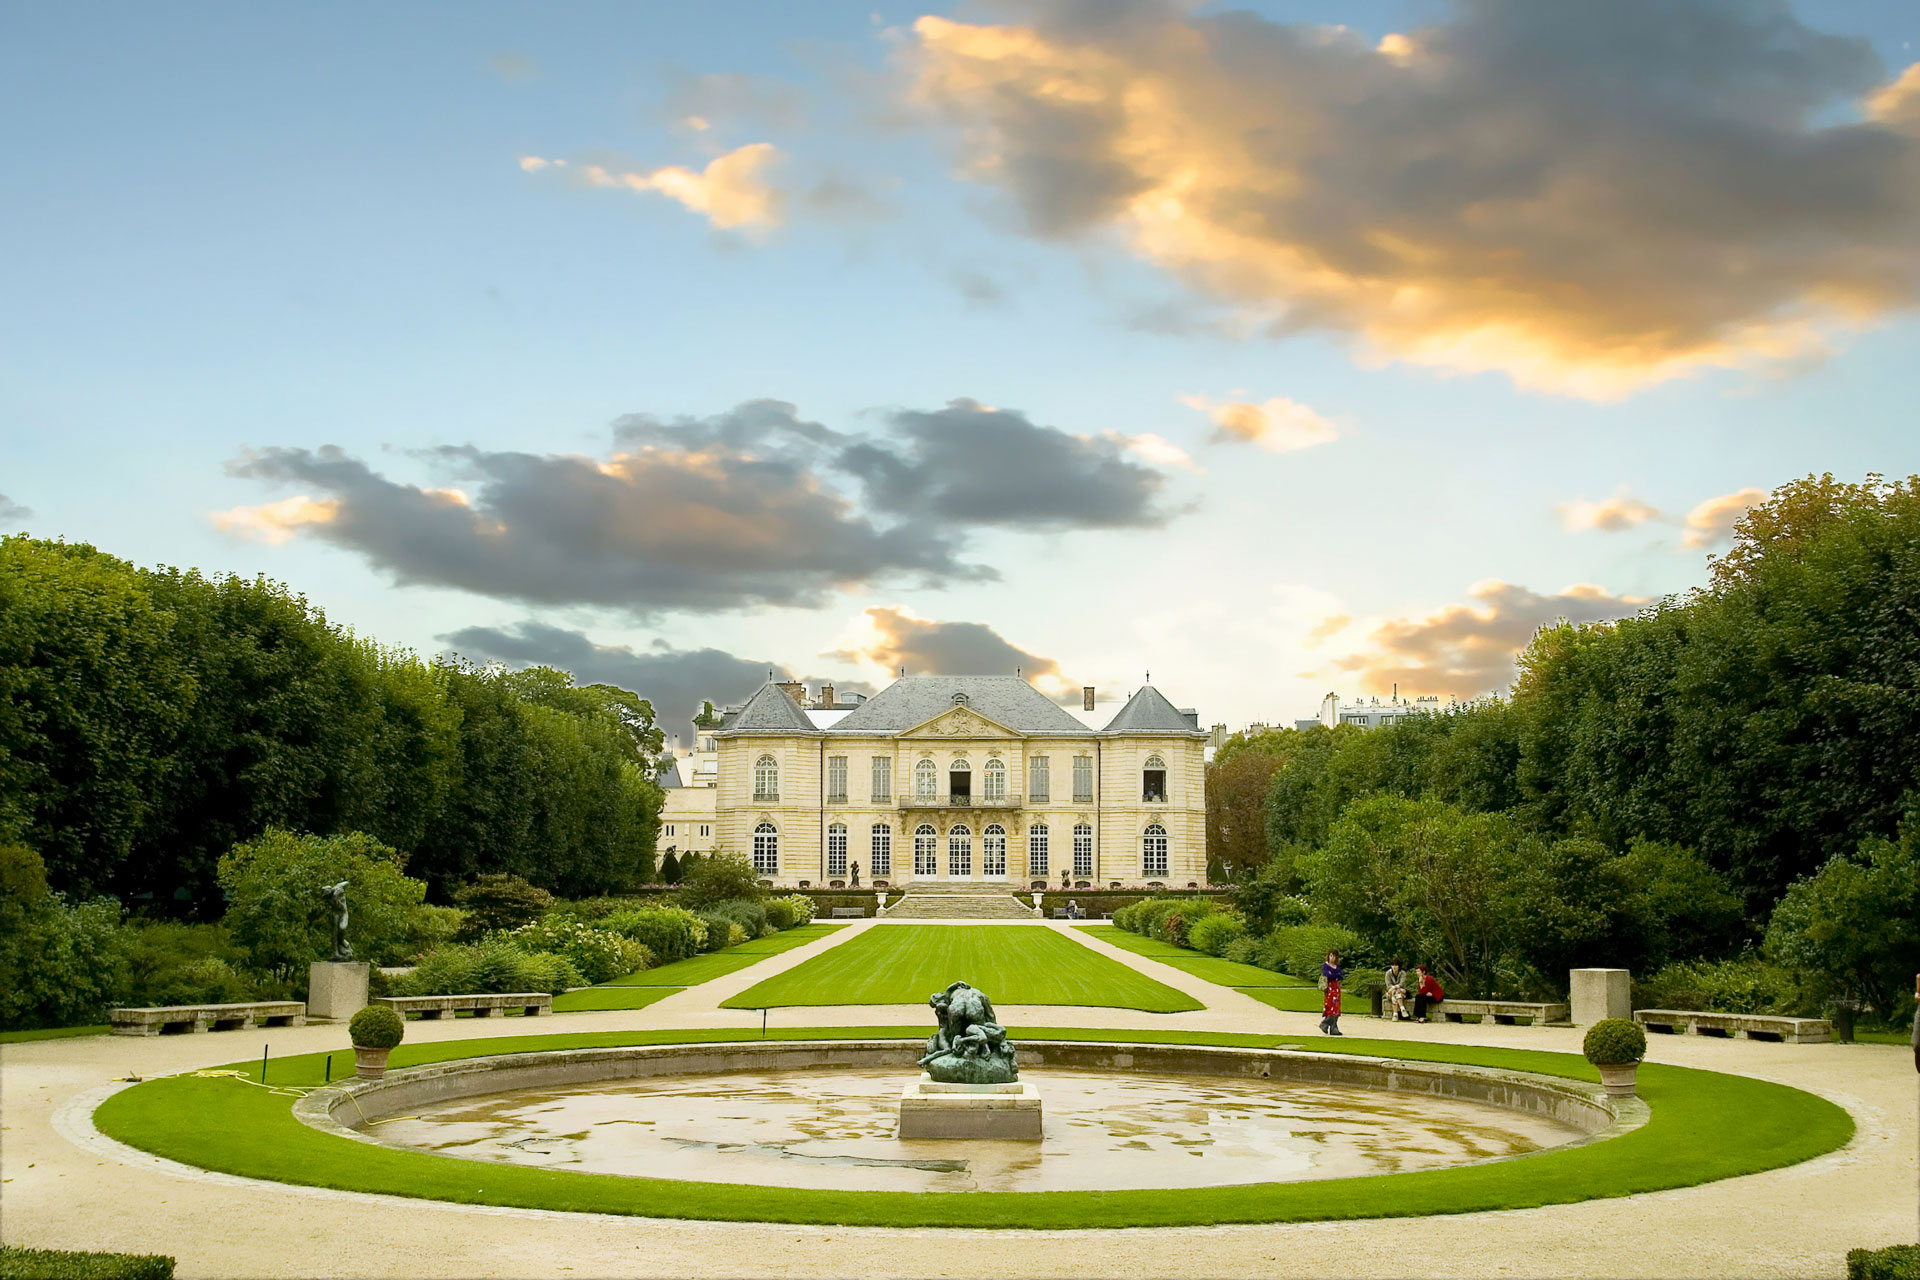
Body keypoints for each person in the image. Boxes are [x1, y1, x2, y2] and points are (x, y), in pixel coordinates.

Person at [1319, 949, 1345, 1036]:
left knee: (1336, 1008)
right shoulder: (1325, 965)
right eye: (1331, 956)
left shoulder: (1337, 966)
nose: (1332, 958)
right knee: (1331, 1007)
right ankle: (1325, 1024)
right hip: (1330, 988)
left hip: (1336, 988)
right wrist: (1335, 975)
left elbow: (1341, 976)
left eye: (1334, 956)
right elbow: (1328, 975)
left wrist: (1335, 975)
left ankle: (1332, 1027)